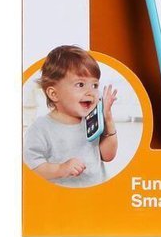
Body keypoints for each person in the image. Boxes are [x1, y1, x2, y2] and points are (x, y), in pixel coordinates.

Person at [23, 45, 118, 187]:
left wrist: (108, 119)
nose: (91, 92)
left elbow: (108, 156)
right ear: (54, 94)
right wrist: (61, 169)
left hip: (96, 192)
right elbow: (33, 167)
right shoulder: (41, 127)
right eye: (80, 84)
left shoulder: (92, 121)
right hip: (61, 195)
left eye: (94, 85)